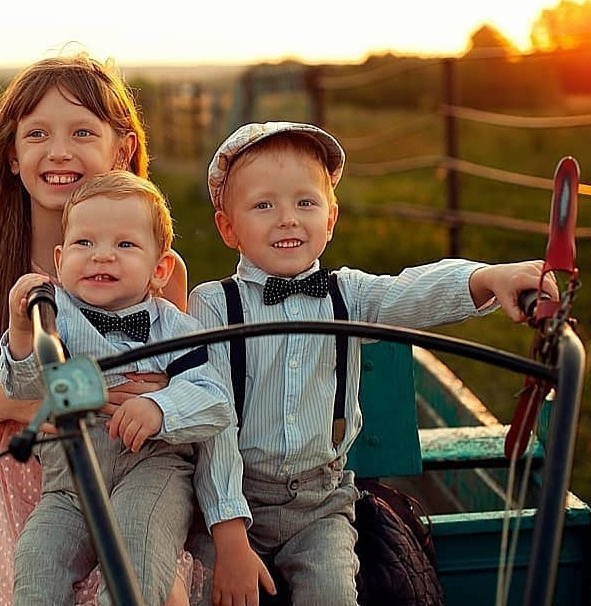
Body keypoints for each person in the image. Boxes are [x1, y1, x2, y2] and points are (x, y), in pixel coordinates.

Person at [186, 121, 558, 606]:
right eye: (263, 205)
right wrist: (229, 538)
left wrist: (485, 277)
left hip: (321, 504)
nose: (287, 219)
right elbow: (210, 425)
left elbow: (413, 292)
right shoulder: (213, 306)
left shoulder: (349, 295)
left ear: (331, 217)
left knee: (335, 595)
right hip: (232, 501)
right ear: (228, 227)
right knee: (206, 593)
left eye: (305, 202)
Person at [0, 53, 200, 606]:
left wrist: (164, 393)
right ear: (13, 157)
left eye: (82, 132)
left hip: (131, 477)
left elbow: (181, 381)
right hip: (18, 490)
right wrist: (23, 404)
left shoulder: (162, 270)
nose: (59, 150)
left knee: (157, 592)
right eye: (37, 133)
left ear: (122, 150)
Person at [0, 171, 232, 606]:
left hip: (150, 469)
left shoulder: (176, 328)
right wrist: (21, 331)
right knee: (36, 561)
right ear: (60, 256)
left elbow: (215, 399)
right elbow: (24, 387)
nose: (101, 256)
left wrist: (160, 407)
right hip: (68, 482)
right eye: (84, 243)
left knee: (134, 560)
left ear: (160, 269)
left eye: (124, 245)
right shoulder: (53, 317)